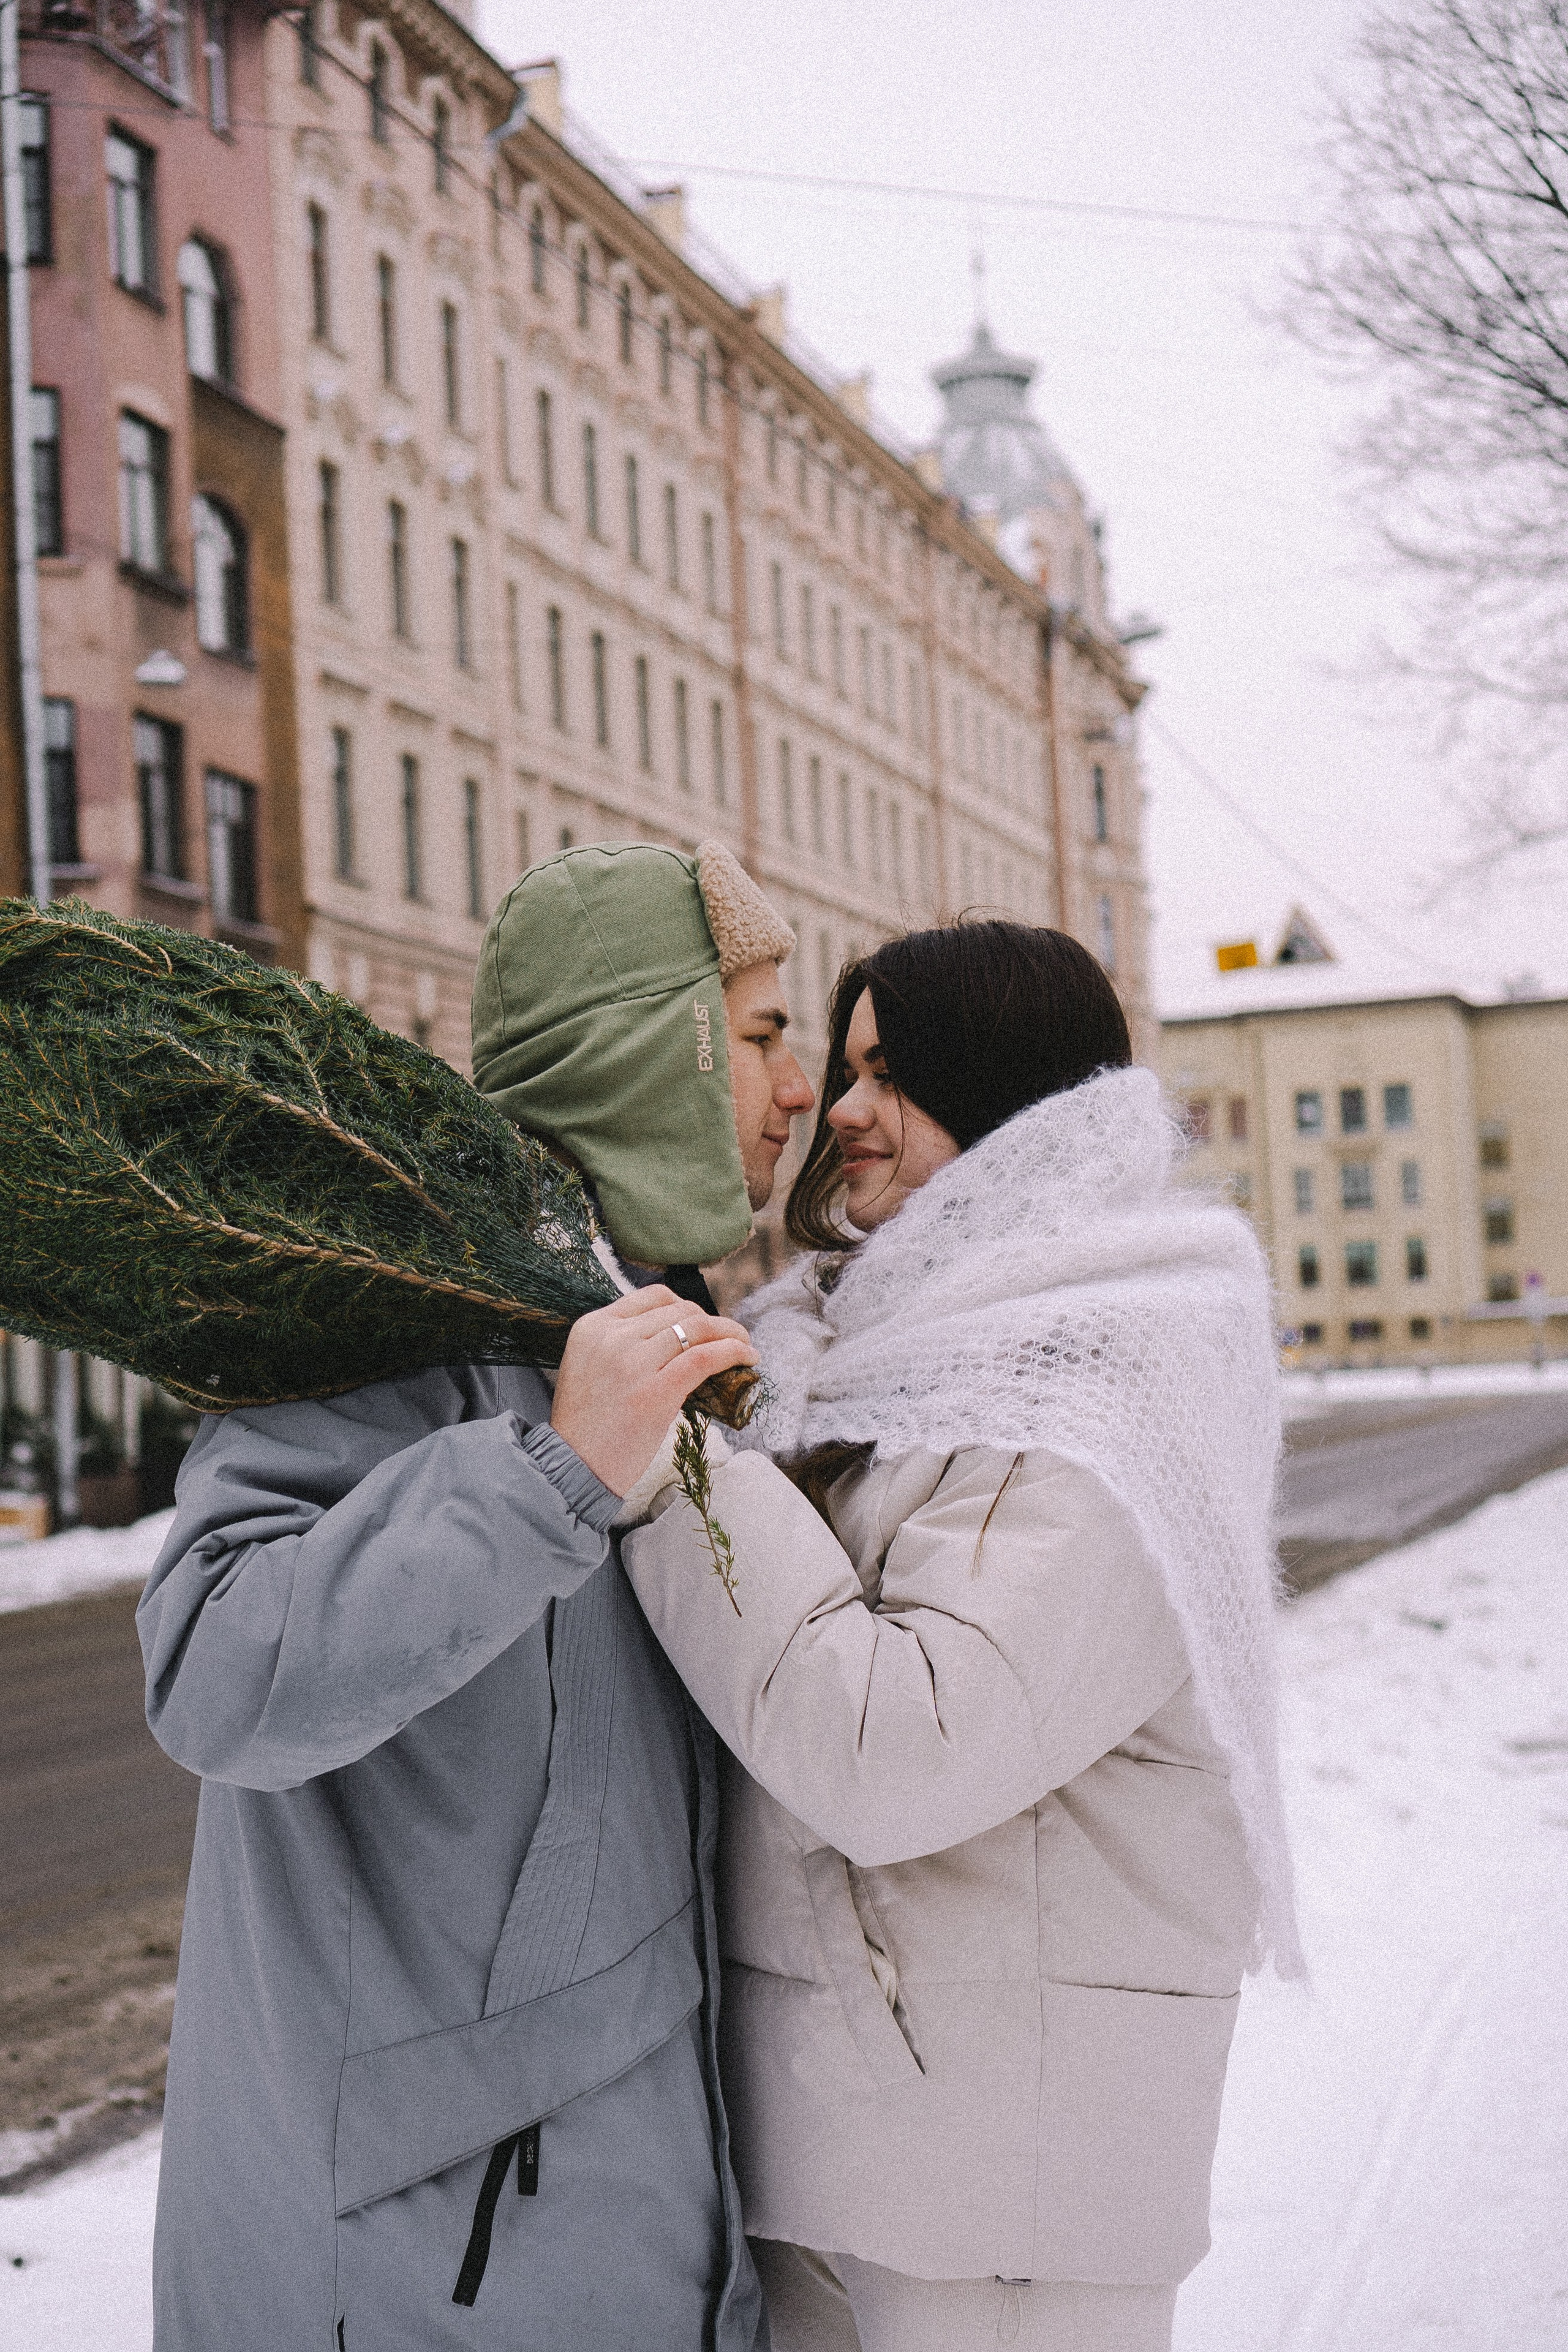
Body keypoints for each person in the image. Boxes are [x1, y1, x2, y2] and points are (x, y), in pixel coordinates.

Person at [137, 840, 812, 2351]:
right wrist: (548, 1474)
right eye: (761, 1037)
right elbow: (213, 1671)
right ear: (646, 1051)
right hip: (409, 2260)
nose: (798, 1093)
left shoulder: (652, 1336)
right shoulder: (385, 1316)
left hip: (596, 2231)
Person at [620, 921, 1301, 2352]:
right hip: (855, 2128)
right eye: (844, 1062)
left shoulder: (1108, 1373)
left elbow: (901, 1753)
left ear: (1009, 1098)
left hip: (1008, 2182)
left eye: (894, 1073)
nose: (840, 1108)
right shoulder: (853, 1349)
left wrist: (672, 1464)